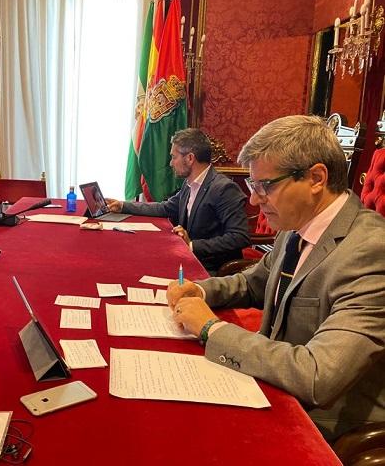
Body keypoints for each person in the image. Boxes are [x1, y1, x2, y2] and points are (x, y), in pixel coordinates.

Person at [167, 115, 385, 441]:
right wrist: (198, 290)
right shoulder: (296, 225)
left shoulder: (371, 251)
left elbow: (317, 376)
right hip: (267, 386)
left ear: (315, 178)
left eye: (264, 186)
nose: (254, 200)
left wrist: (212, 328)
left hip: (325, 427)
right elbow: (254, 281)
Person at [106, 128, 249, 274]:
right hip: (186, 258)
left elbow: (239, 237)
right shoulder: (189, 184)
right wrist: (123, 205)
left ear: (190, 158)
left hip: (209, 269)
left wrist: (192, 245)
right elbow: (165, 208)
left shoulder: (224, 189)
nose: (170, 163)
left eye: (174, 157)